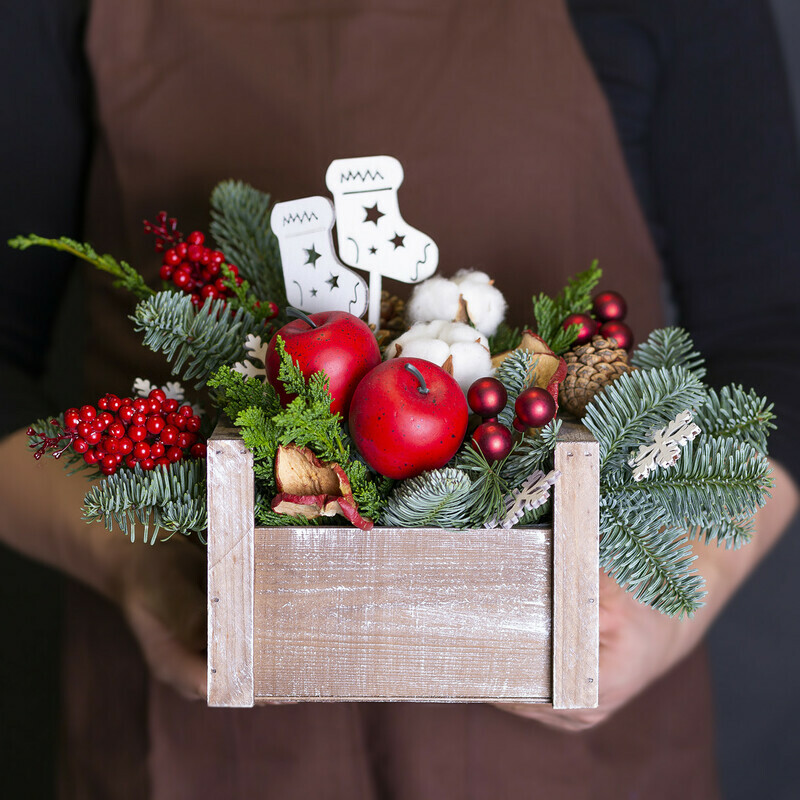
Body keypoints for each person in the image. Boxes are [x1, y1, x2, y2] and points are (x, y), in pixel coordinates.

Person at [1, 0, 798, 797]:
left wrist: (679, 595)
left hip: (569, 765)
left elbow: (777, 335)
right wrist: (132, 563)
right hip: (204, 747)